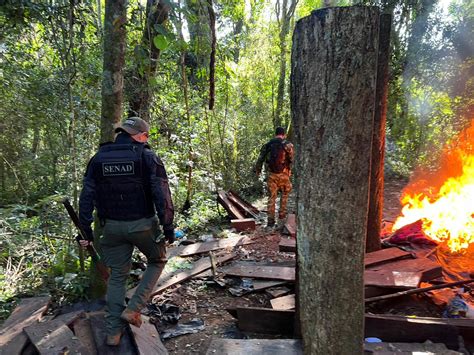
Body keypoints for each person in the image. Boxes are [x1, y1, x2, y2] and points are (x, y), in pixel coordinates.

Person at [78, 117, 174, 346]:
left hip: (110, 227)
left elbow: (86, 196)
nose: (146, 140)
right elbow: (162, 194)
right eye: (146, 136)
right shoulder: (147, 156)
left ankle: (113, 334)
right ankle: (133, 309)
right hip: (142, 225)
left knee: (117, 277)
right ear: (139, 135)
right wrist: (168, 225)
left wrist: (86, 231)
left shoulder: (98, 159)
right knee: (158, 260)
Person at [255, 126, 294, 227]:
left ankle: (270, 221)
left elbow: (260, 159)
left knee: (272, 197)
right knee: (285, 195)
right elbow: (292, 160)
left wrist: (258, 170)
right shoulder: (288, 145)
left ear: (275, 134)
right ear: (284, 134)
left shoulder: (267, 145)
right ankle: (281, 217)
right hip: (284, 175)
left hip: (271, 175)